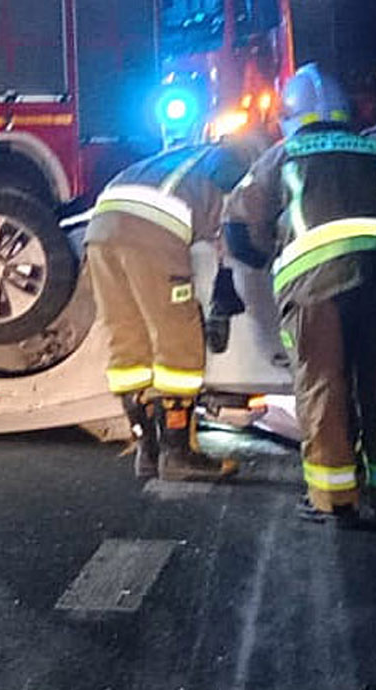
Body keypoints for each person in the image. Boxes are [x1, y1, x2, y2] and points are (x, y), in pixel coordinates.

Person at [219, 64, 376, 524]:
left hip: (314, 287)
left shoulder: (282, 155)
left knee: (323, 387)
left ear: (292, 116)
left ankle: (335, 501)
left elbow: (238, 227)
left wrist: (263, 258)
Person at [86, 123, 261, 481]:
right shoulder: (239, 164)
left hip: (101, 228)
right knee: (178, 340)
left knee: (127, 340)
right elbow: (237, 227)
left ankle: (148, 450)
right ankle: (178, 454)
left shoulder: (188, 155)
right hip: (152, 232)